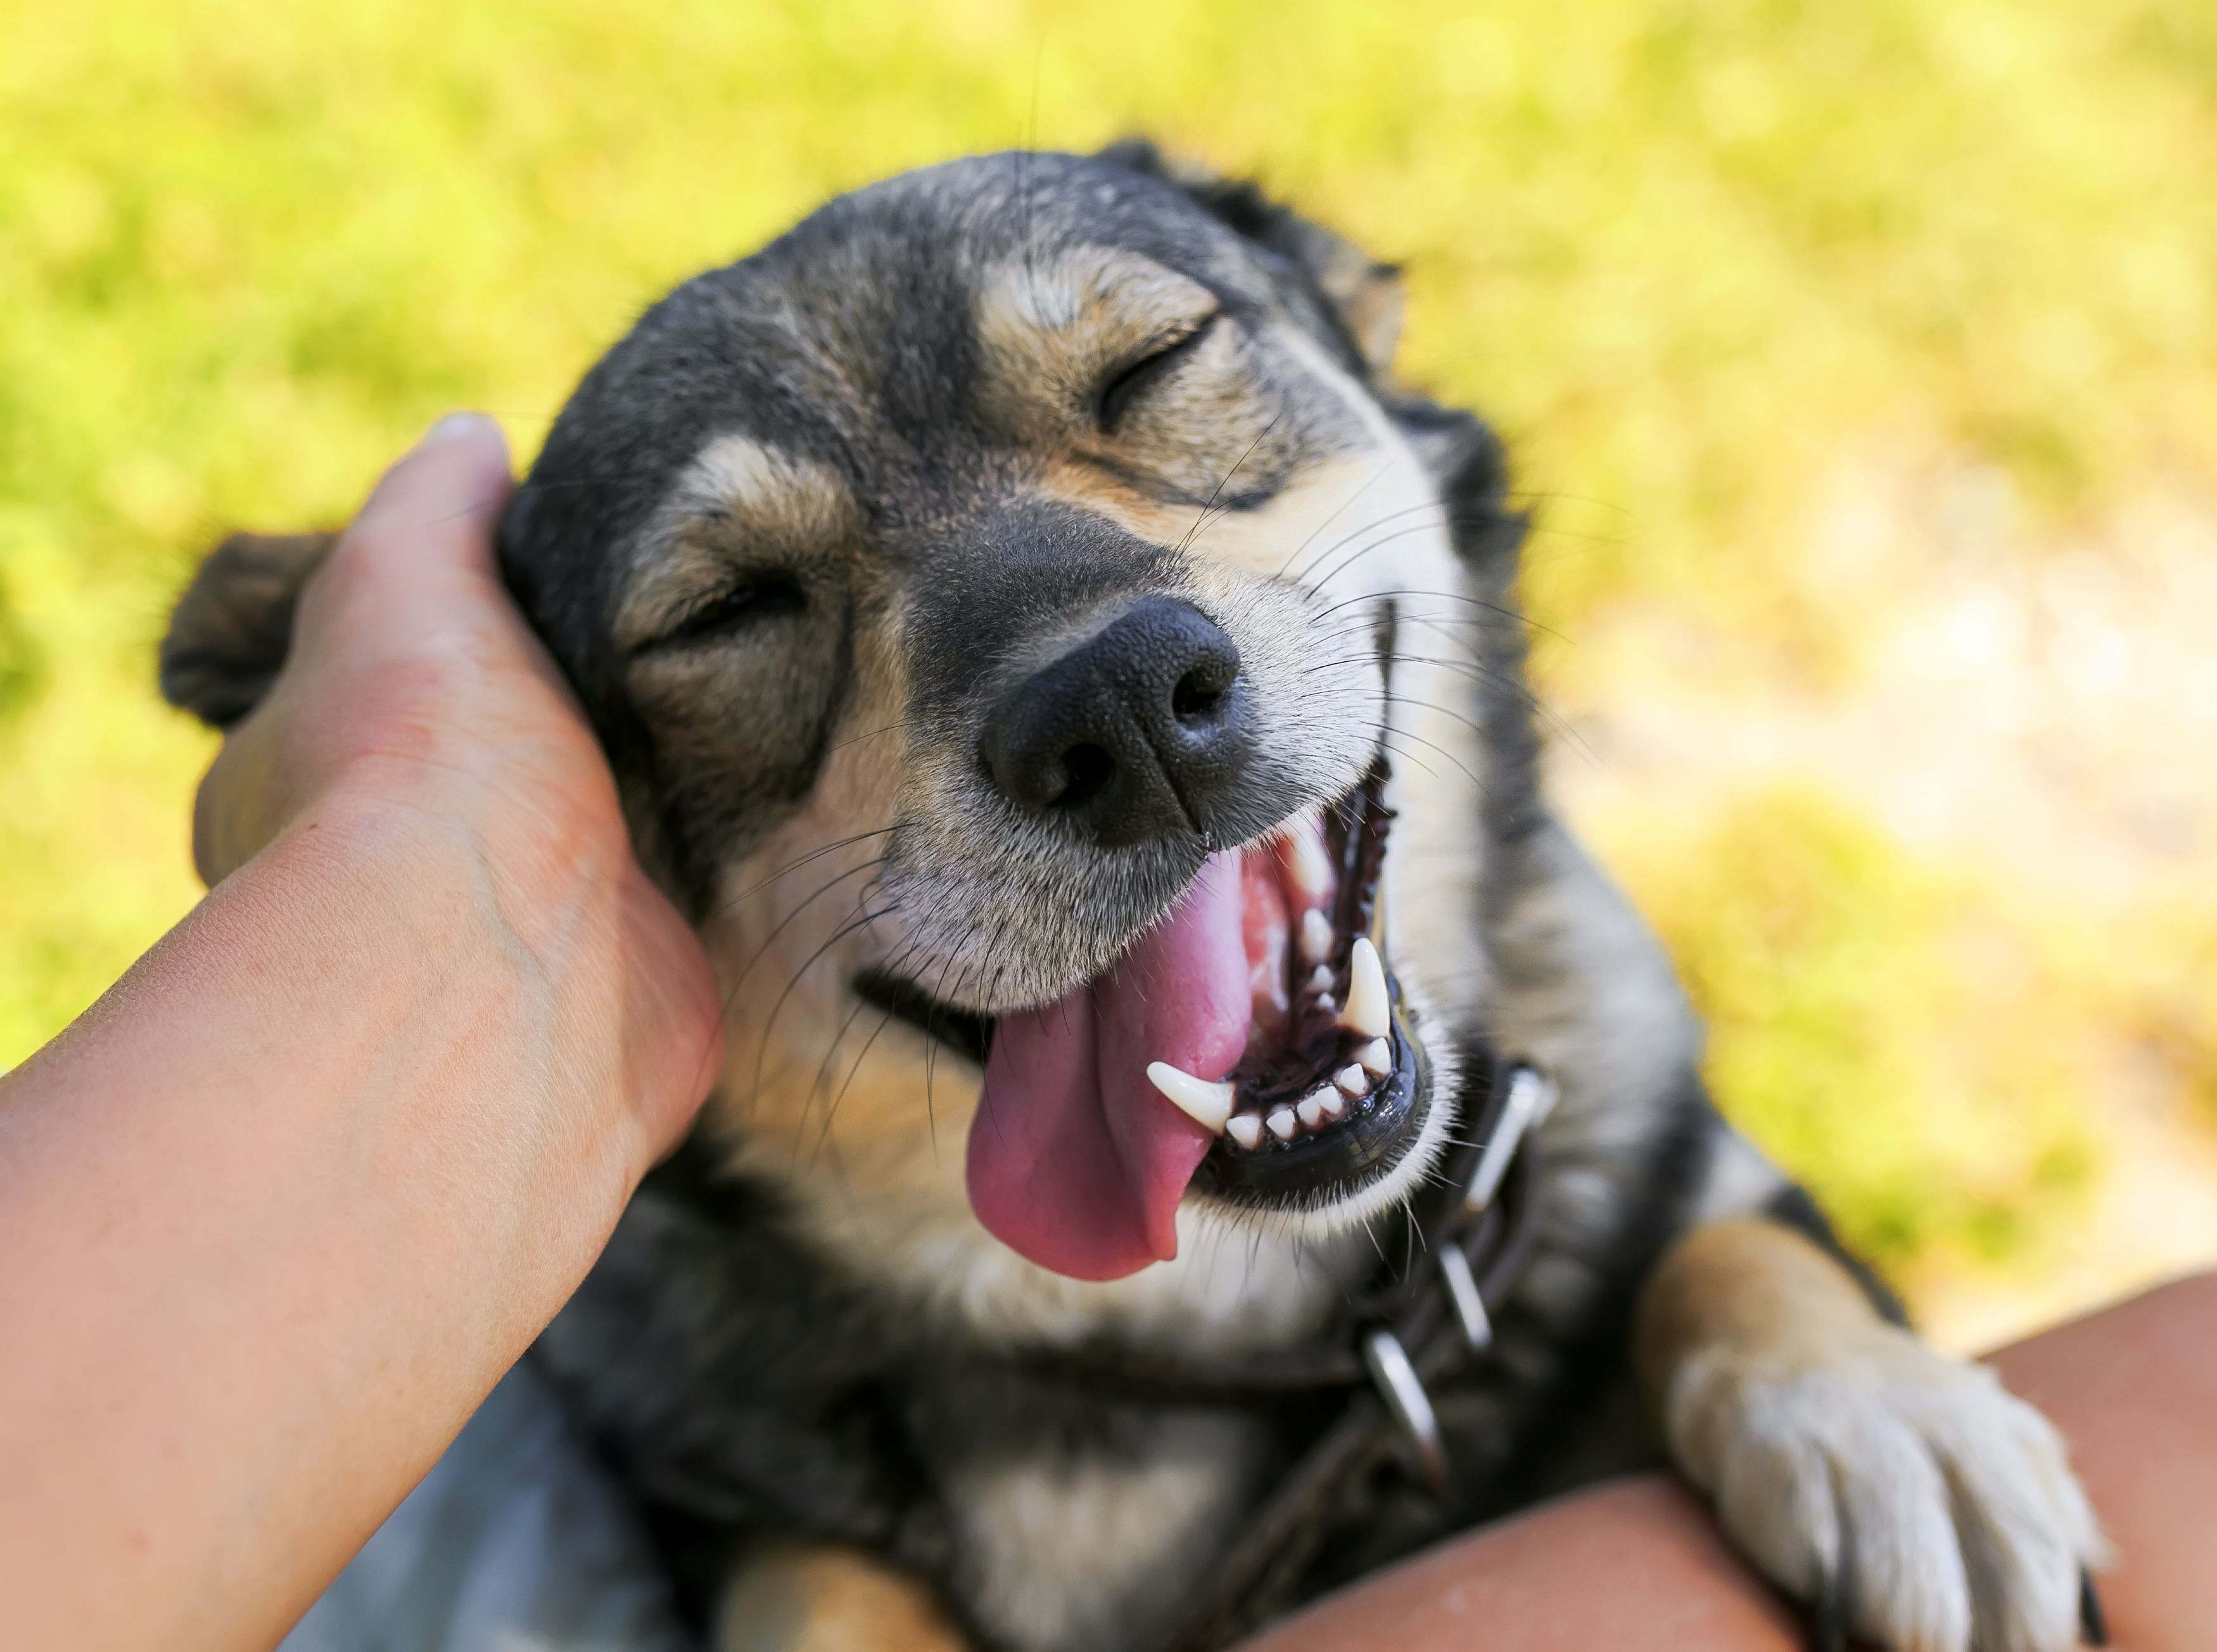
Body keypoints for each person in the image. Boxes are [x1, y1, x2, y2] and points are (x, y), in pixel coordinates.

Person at [0, 417, 2207, 1651]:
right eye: (738, 606)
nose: (1096, 662)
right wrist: (428, 867)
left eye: (1153, 381)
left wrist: (1758, 1317)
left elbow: (1668, 1195)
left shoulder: (1567, 1027)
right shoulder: (656, 1333)